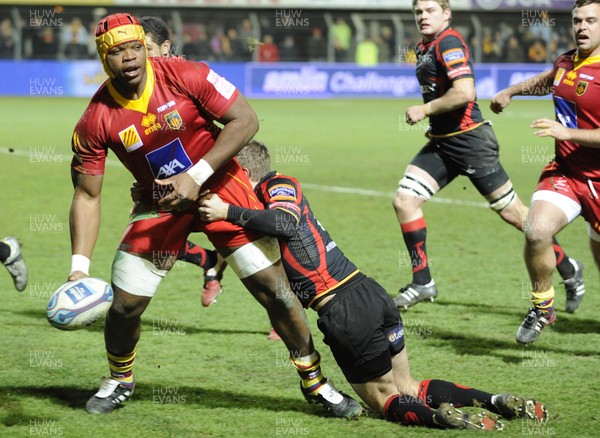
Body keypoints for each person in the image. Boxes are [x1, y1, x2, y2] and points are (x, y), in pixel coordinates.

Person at [68, 13, 360, 418]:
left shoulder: (187, 74)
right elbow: (86, 195)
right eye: (118, 52)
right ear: (105, 59)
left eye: (136, 47)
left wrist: (196, 175)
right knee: (125, 305)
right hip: (159, 203)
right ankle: (119, 379)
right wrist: (78, 269)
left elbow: (247, 119)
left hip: (221, 185)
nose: (130, 58)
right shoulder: (95, 119)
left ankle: (315, 382)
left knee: (275, 291)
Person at [198, 140, 548, 430]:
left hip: (344, 308)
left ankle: (450, 422)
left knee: (383, 400)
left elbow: (286, 223)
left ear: (242, 173)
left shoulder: (278, 185)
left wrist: (227, 210)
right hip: (371, 293)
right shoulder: (263, 206)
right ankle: (495, 401)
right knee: (408, 386)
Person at [393, 0, 584, 313]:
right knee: (405, 200)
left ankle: (569, 270)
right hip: (443, 143)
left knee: (517, 216)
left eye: (430, 11)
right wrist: (435, 122)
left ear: (446, 13)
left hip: (470, 143)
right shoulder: (424, 46)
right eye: (418, 12)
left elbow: (465, 92)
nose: (423, 17)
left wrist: (424, 110)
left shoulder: (450, 42)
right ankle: (422, 281)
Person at [490, 0, 599, 344]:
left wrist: (569, 133)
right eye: (578, 20)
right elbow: (548, 80)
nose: (582, 27)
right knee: (536, 231)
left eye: (592, 20)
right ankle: (542, 306)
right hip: (566, 172)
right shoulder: (567, 60)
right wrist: (511, 91)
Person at [140, 15, 225, 307]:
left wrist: (202, 171)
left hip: (213, 176)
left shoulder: (185, 75)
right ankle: (210, 261)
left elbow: (227, 122)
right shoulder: (138, 84)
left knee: (252, 246)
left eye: (146, 49)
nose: (140, 57)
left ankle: (283, 312)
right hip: (172, 177)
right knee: (153, 242)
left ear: (165, 48)